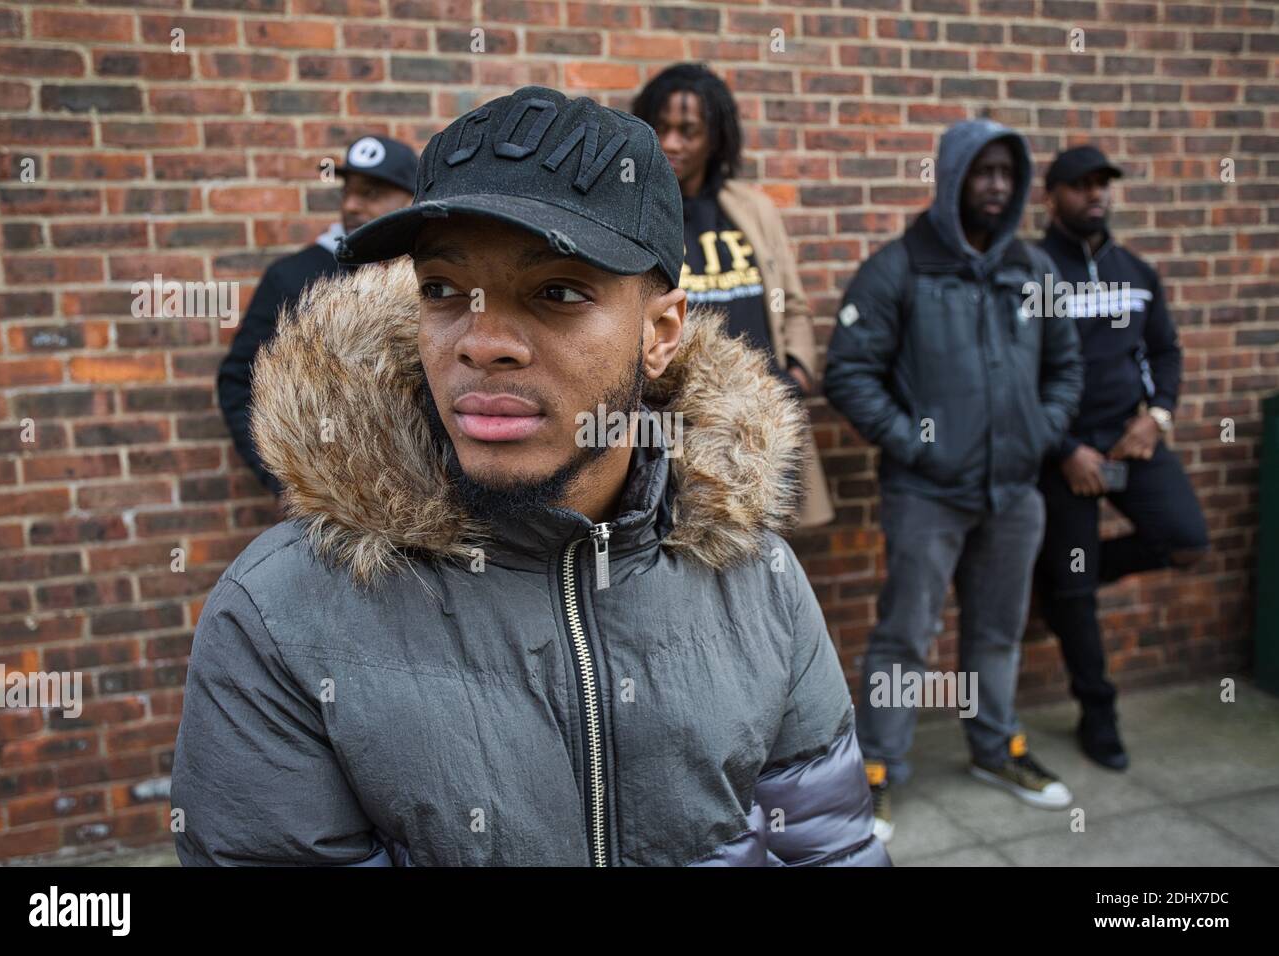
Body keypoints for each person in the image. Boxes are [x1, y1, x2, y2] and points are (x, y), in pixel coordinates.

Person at [171, 87, 888, 868]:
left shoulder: (760, 577)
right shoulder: (280, 616)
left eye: (556, 292)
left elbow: (829, 847)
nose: (482, 343)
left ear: (660, 333)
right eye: (443, 289)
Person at [822, 118, 1085, 844]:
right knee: (906, 634)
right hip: (926, 493)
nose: (996, 186)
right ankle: (874, 768)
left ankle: (996, 749)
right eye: (982, 172)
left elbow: (1067, 366)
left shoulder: (1034, 272)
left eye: (1007, 172)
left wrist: (1039, 430)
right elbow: (847, 370)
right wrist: (917, 445)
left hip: (1015, 492)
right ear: (952, 178)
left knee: (998, 632)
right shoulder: (899, 268)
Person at [1034, 145, 1209, 771]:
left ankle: (1056, 581)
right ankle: (1098, 712)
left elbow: (1166, 350)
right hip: (1062, 453)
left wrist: (1155, 416)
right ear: (1050, 196)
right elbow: (1014, 375)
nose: (1095, 196)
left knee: (1187, 541)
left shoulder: (1136, 271)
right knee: (1077, 594)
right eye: (1080, 186)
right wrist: (1063, 449)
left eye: (1103, 185)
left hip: (1130, 443)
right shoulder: (1030, 272)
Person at [632, 63, 834, 529]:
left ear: (716, 138)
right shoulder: (638, 210)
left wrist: (797, 374)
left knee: (768, 562)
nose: (673, 143)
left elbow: (794, 304)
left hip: (761, 428)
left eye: (689, 131)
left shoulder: (751, 208)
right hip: (676, 428)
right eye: (661, 128)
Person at [216, 134, 418, 494]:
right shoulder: (292, 277)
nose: (352, 205)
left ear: (410, 200)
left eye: (371, 194)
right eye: (347, 192)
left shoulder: (431, 276)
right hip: (332, 501)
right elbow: (239, 381)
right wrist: (287, 479)